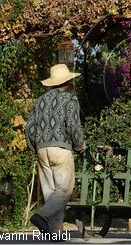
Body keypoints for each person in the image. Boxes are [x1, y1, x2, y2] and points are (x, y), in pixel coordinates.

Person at [25, 63, 84, 239]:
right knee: (65, 190)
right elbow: (73, 124)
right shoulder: (70, 99)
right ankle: (39, 216)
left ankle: (55, 234)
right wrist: (79, 144)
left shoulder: (40, 100)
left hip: (42, 149)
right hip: (61, 148)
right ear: (68, 81)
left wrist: (34, 147)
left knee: (51, 193)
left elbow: (29, 127)